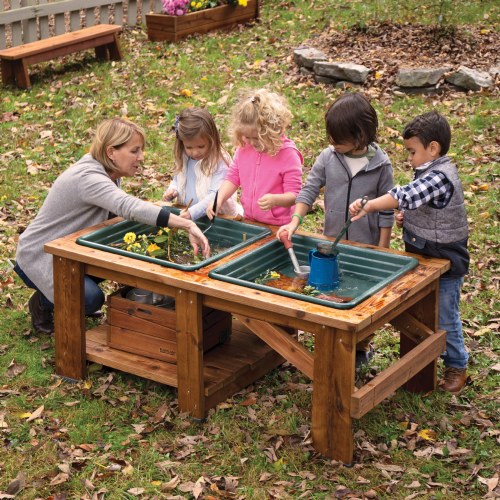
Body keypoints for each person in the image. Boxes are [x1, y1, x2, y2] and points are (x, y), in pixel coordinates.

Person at [15, 118, 210, 335]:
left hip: (68, 251)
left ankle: (66, 295)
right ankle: (42, 303)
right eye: (135, 151)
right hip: (40, 255)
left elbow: (124, 208)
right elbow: (126, 206)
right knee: (90, 299)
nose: (141, 157)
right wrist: (185, 224)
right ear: (111, 152)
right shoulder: (88, 177)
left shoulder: (108, 171)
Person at [349, 111, 469, 394]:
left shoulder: (440, 175)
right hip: (424, 257)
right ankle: (420, 358)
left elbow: (406, 195)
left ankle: (456, 363)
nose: (410, 158)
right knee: (420, 310)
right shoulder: (429, 170)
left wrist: (369, 205)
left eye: (412, 152)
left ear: (433, 148)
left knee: (444, 315)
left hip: (446, 261)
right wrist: (407, 218)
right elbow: (418, 204)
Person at [276, 92, 394, 366]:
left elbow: (387, 209)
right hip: (332, 242)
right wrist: (295, 220)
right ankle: (330, 346)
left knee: (362, 299)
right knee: (331, 290)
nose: (332, 144)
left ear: (360, 135)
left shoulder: (381, 165)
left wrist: (383, 249)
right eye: (331, 137)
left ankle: (362, 347)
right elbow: (309, 189)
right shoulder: (328, 158)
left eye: (338, 139)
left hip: (367, 245)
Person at [206, 88, 303, 225]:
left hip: (279, 225)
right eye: (247, 137)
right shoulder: (244, 148)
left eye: (257, 138)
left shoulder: (288, 155)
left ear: (272, 131)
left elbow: (295, 195)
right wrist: (218, 199)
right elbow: (233, 178)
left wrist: (276, 200)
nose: (251, 142)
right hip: (250, 220)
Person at [162, 107, 242, 220]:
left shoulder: (219, 160)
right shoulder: (184, 157)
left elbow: (216, 195)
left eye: (201, 146)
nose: (195, 152)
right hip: (188, 213)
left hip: (218, 218)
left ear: (212, 139)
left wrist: (192, 212)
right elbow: (177, 180)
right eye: (189, 147)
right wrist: (173, 189)